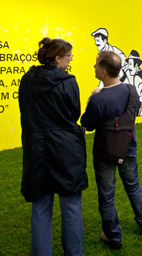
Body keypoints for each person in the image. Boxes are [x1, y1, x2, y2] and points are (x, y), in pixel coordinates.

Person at [18, 37, 87, 256]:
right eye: (69, 56)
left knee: (40, 207)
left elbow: (24, 109)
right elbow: (74, 113)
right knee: (71, 205)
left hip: (35, 150)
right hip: (66, 150)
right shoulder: (68, 81)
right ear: (57, 58)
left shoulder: (27, 80)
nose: (70, 60)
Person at [81, 51, 142, 250]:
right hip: (128, 148)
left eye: (96, 64)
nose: (93, 67)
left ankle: (113, 236)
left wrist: (92, 99)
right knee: (133, 186)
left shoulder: (97, 99)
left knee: (106, 196)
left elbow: (88, 124)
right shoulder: (131, 90)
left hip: (105, 153)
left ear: (103, 72)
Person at [125, 50, 142, 116]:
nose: (128, 67)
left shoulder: (138, 77)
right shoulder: (135, 75)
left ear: (136, 65)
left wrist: (141, 116)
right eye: (128, 64)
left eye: (130, 64)